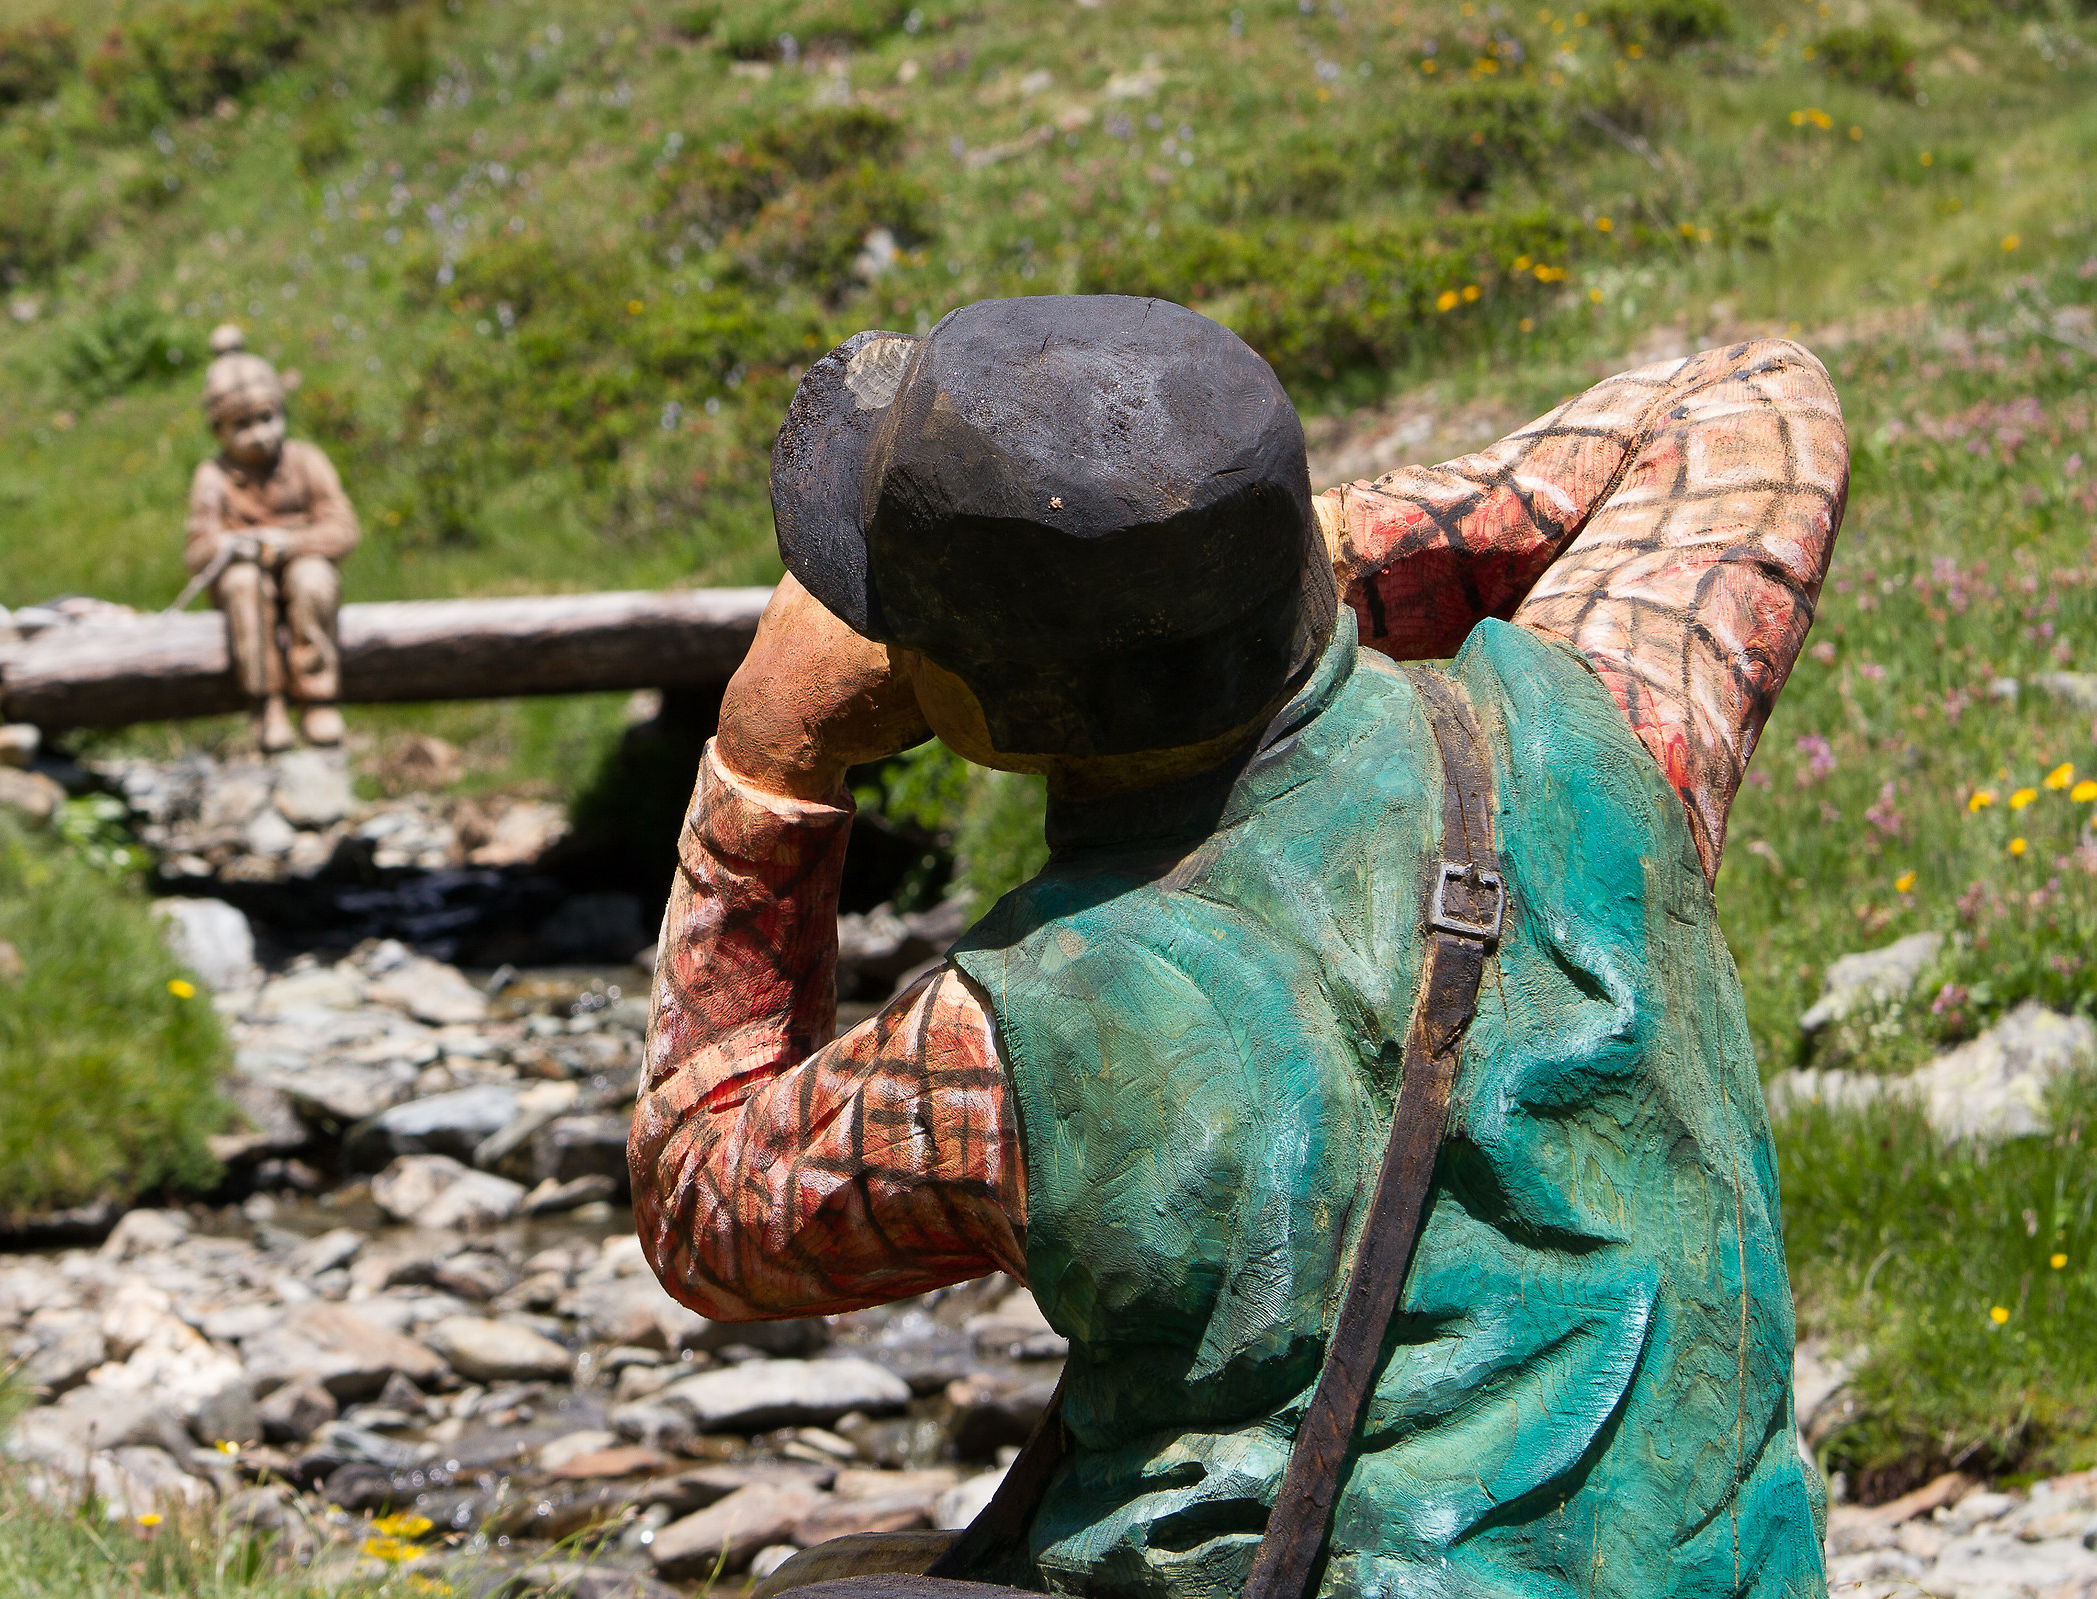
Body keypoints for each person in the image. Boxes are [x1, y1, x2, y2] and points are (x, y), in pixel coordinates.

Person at [631, 297, 1846, 1598]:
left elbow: (709, 1206)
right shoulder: (1598, 731)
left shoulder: (1003, 1043)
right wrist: (1235, 556)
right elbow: (1744, 400)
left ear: (966, 687)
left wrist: (770, 764)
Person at [185, 325, 358, 753]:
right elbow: (197, 549)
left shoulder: (305, 460)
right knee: (244, 586)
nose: (261, 435)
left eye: (268, 418)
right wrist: (229, 546)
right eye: (242, 425)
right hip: (246, 577)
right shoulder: (213, 477)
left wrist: (290, 543)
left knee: (313, 579)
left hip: (301, 558)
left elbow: (343, 529)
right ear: (218, 431)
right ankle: (266, 703)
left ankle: (318, 696)